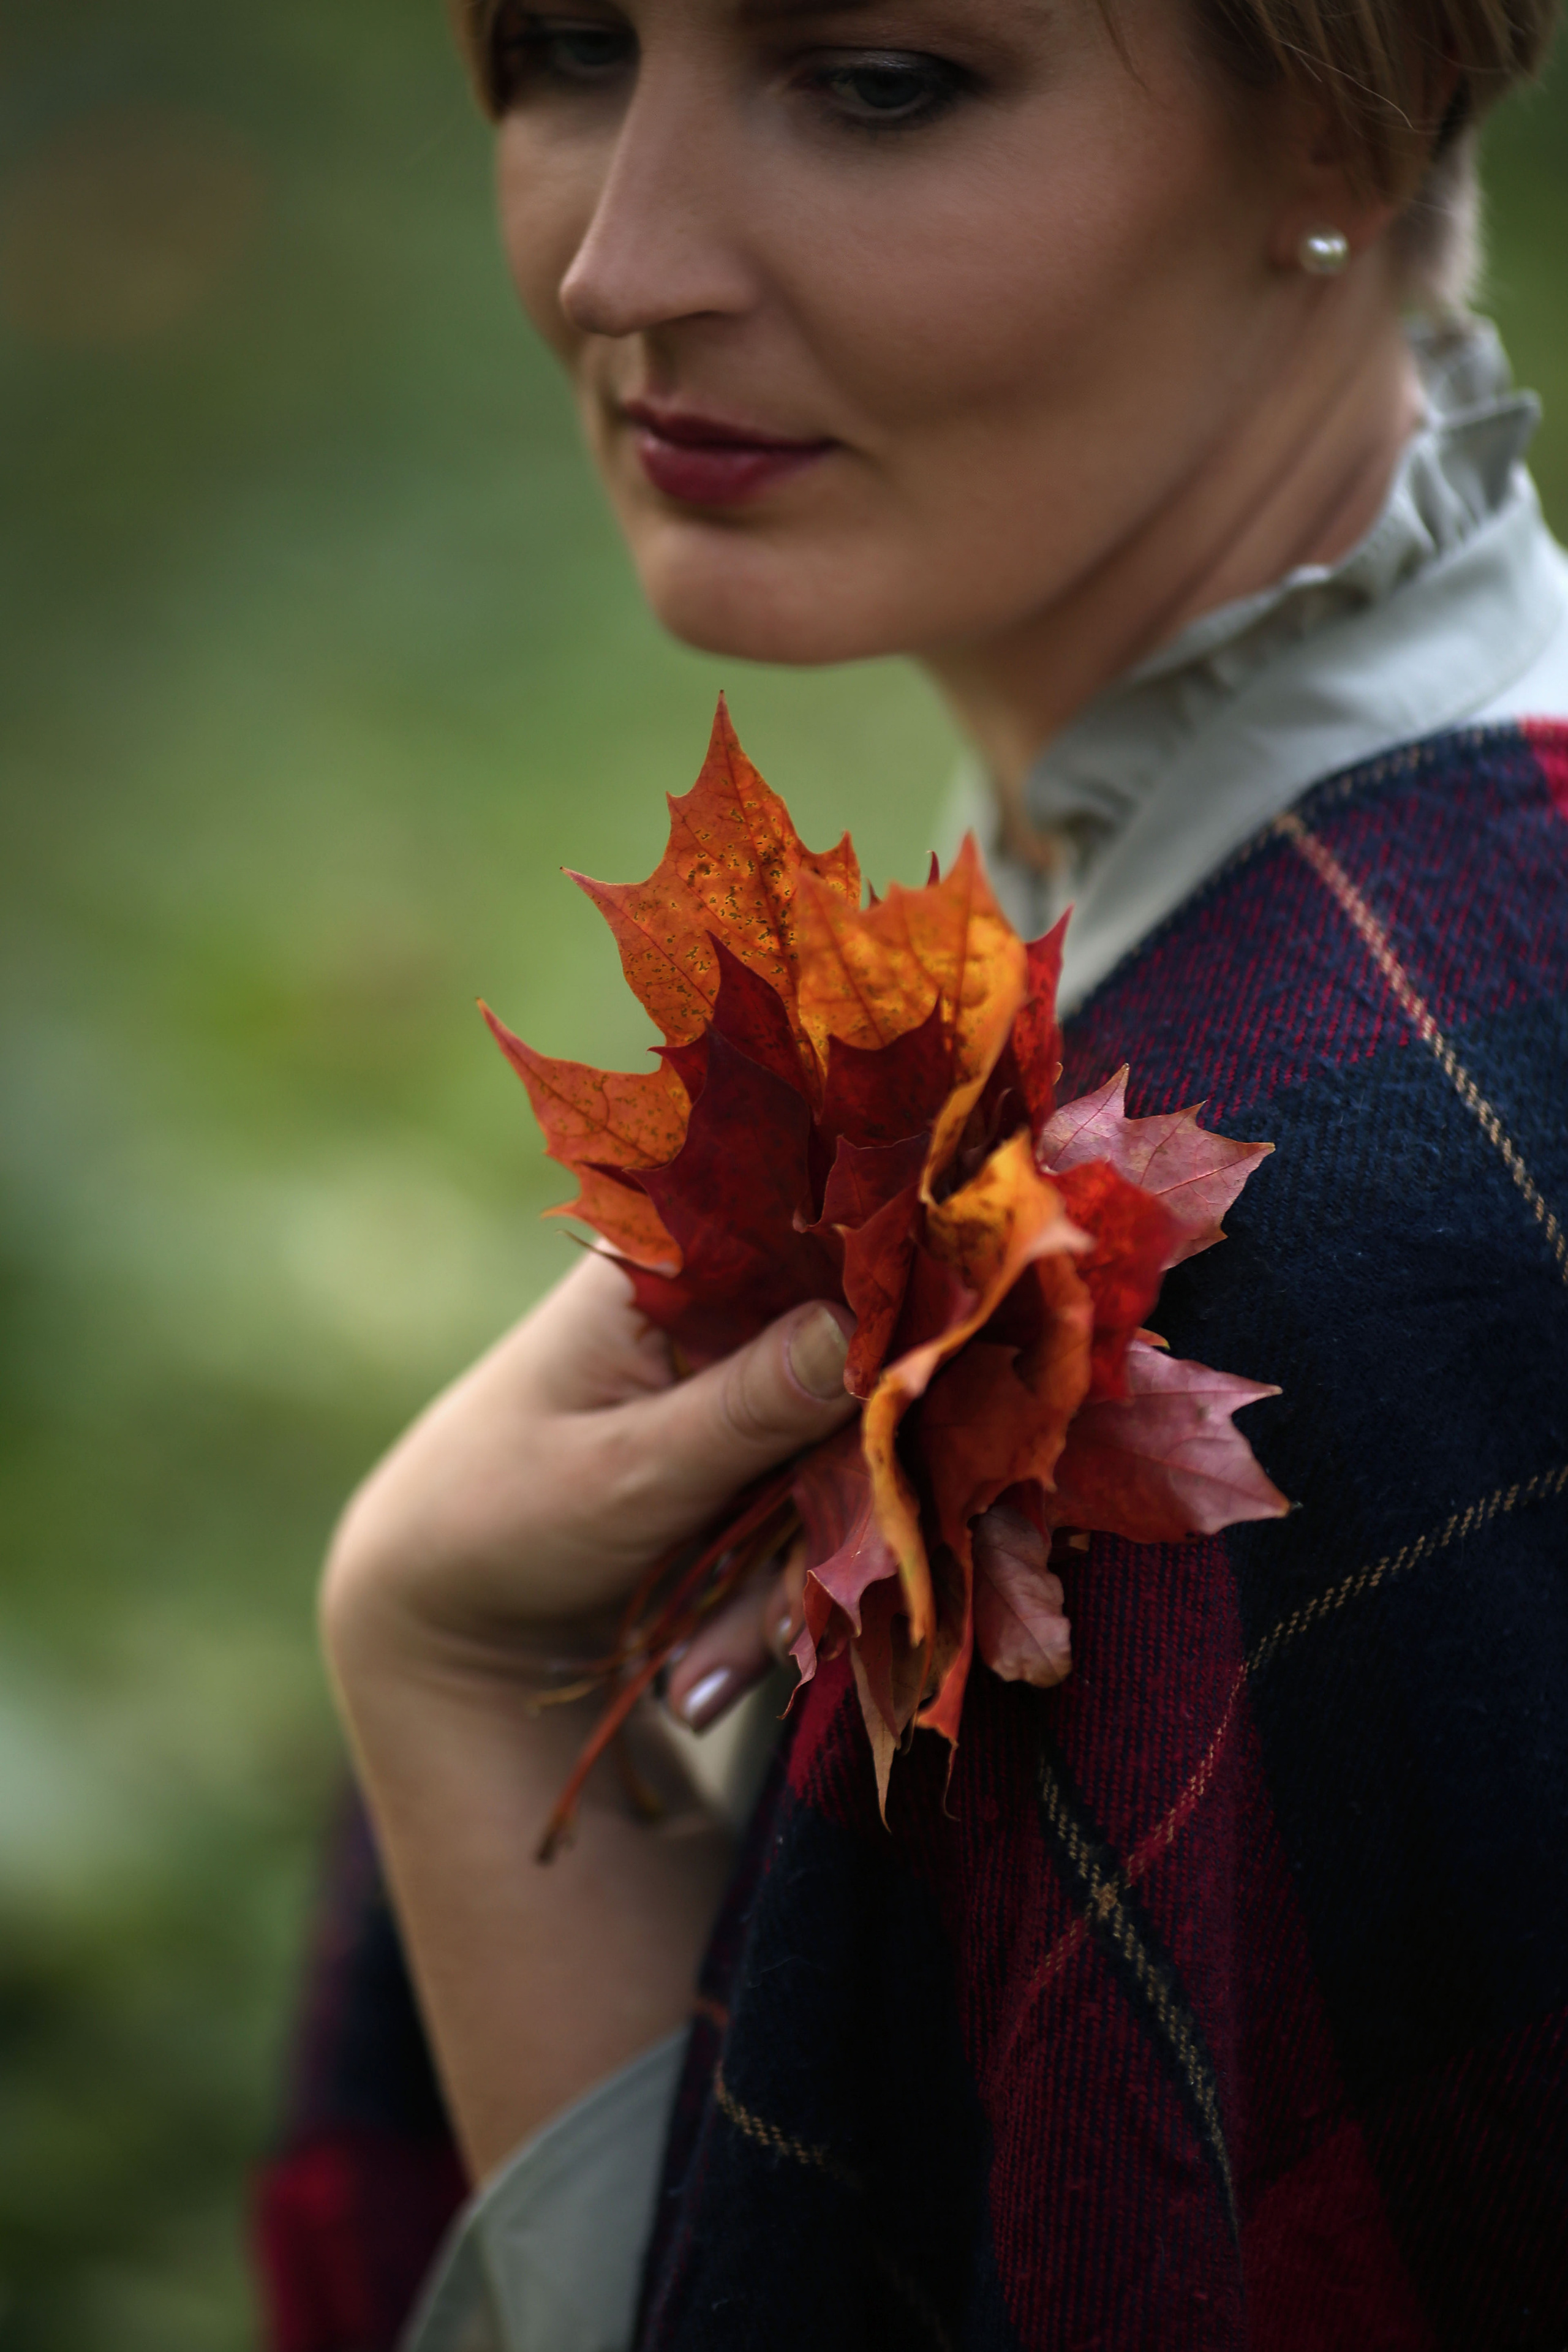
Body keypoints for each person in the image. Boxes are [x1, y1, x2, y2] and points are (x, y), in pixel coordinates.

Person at [257, 0, 1568, 2338]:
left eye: (877, 82)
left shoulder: (1332, 1226)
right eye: (567, 45)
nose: (616, 261)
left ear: (1346, 119)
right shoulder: (1202, 950)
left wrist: (450, 1674)